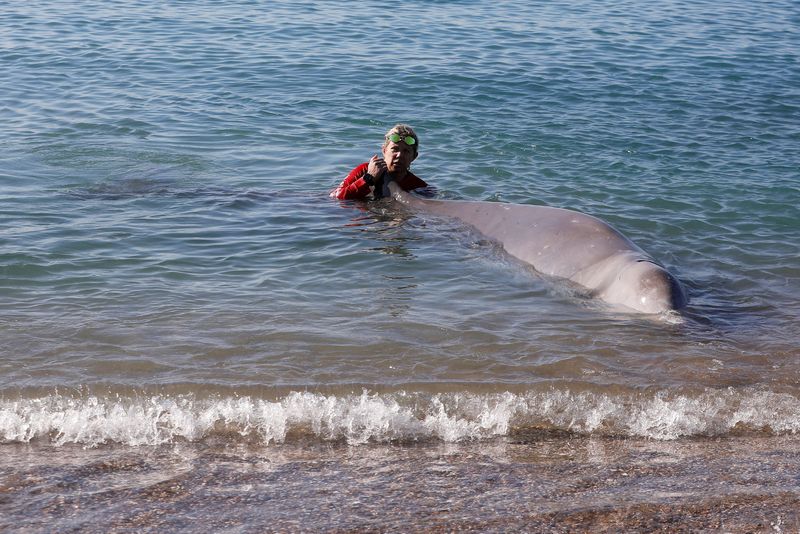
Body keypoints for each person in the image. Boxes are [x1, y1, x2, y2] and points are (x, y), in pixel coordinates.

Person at [331, 124, 429, 200]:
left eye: (406, 151)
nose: (399, 155)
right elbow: (336, 197)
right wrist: (368, 179)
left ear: (414, 157)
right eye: (394, 149)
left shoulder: (418, 186)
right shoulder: (365, 170)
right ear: (384, 150)